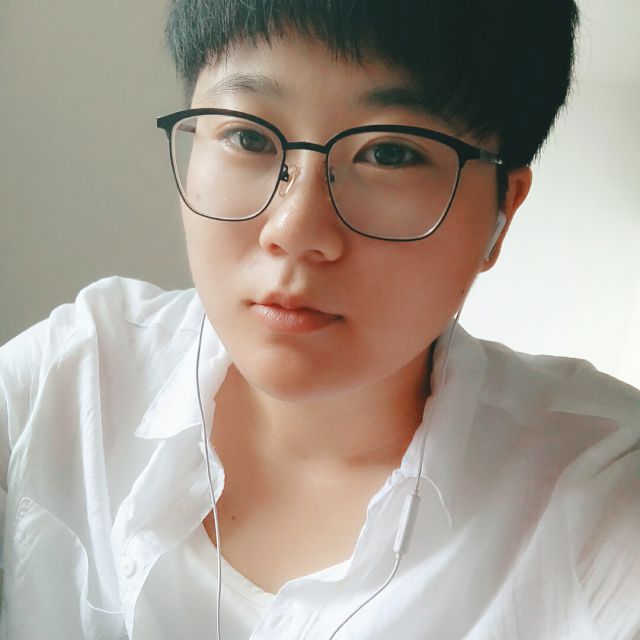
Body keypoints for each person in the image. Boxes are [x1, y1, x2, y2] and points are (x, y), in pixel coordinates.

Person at [1, 1, 638, 639]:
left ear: (501, 215)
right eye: (249, 137)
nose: (296, 229)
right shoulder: (72, 381)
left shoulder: (601, 501)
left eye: (390, 153)